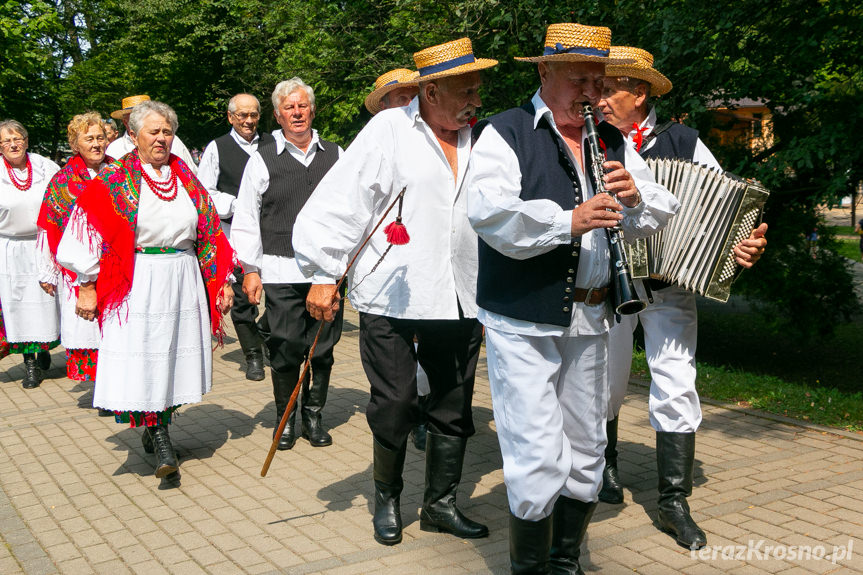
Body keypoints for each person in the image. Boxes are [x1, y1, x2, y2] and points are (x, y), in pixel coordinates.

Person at [466, 24, 680, 573]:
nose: (592, 92)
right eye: (578, 78)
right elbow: (491, 213)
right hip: (524, 319)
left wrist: (633, 198)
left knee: (586, 450)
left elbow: (657, 210)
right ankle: (531, 568)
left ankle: (564, 562)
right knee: (537, 454)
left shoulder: (609, 141)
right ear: (544, 72)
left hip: (594, 314)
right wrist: (568, 221)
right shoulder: (505, 131)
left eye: (598, 81)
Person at [295, 37, 497, 547]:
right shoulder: (389, 129)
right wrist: (324, 271)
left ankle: (440, 505)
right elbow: (344, 200)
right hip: (393, 293)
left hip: (460, 293)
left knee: (454, 402)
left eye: (477, 88)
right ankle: (387, 497)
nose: (476, 99)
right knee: (396, 400)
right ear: (430, 91)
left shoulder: (485, 138)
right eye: (465, 90)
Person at [598, 46, 768, 550]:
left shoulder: (684, 141)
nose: (600, 98)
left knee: (676, 383)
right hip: (608, 284)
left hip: (671, 284)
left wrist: (746, 244)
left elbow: (728, 203)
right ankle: (604, 465)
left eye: (610, 89)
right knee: (605, 381)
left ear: (640, 92)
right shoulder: (589, 138)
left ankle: (674, 501)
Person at [56, 100, 235, 481]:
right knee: (147, 358)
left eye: (167, 131)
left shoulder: (184, 176)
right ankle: (160, 436)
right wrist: (86, 285)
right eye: (153, 131)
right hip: (138, 281)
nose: (161, 138)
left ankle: (159, 424)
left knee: (171, 356)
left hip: (182, 275)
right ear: (133, 135)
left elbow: (209, 231)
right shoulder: (115, 178)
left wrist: (221, 281)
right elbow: (84, 230)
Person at [232, 78, 344, 451]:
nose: (297, 113)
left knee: (323, 347)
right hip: (280, 269)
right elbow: (247, 216)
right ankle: (286, 417)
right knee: (284, 346)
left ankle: (314, 416)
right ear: (278, 115)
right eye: (288, 108)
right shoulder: (262, 159)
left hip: (327, 272)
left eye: (303, 106)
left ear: (312, 110)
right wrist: (250, 269)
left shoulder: (336, 154)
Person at [364, 67, 429, 451]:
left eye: (412, 96)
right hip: (386, 272)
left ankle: (424, 415)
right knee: (394, 380)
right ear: (383, 107)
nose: (408, 104)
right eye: (399, 98)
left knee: (430, 360)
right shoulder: (374, 141)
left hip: (431, 271)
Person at [198, 93, 274, 381]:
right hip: (235, 233)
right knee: (243, 300)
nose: (249, 121)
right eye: (242, 115)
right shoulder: (218, 148)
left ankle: (264, 332)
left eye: (253, 114)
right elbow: (204, 193)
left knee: (278, 292)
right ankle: (253, 355)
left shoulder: (272, 143)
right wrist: (238, 205)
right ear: (231, 117)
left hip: (272, 231)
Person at [37, 113, 112, 391]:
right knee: (87, 326)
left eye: (100, 138)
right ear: (75, 144)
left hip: (116, 265)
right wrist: (47, 269)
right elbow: (48, 226)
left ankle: (115, 382)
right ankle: (99, 387)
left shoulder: (119, 172)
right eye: (88, 138)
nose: (96, 144)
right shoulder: (63, 180)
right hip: (78, 270)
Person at [0, 119, 61, 388]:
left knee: (47, 302)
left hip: (43, 243)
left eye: (18, 138)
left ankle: (44, 347)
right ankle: (30, 364)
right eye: (6, 141)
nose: (13, 144)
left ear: (26, 141)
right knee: (20, 306)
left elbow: (63, 195)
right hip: (10, 247)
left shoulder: (45, 166)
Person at [107, 95, 198, 172]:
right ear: (125, 122)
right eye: (133, 117)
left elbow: (192, 174)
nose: (161, 138)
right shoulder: (115, 149)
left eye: (145, 115)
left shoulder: (173, 141)